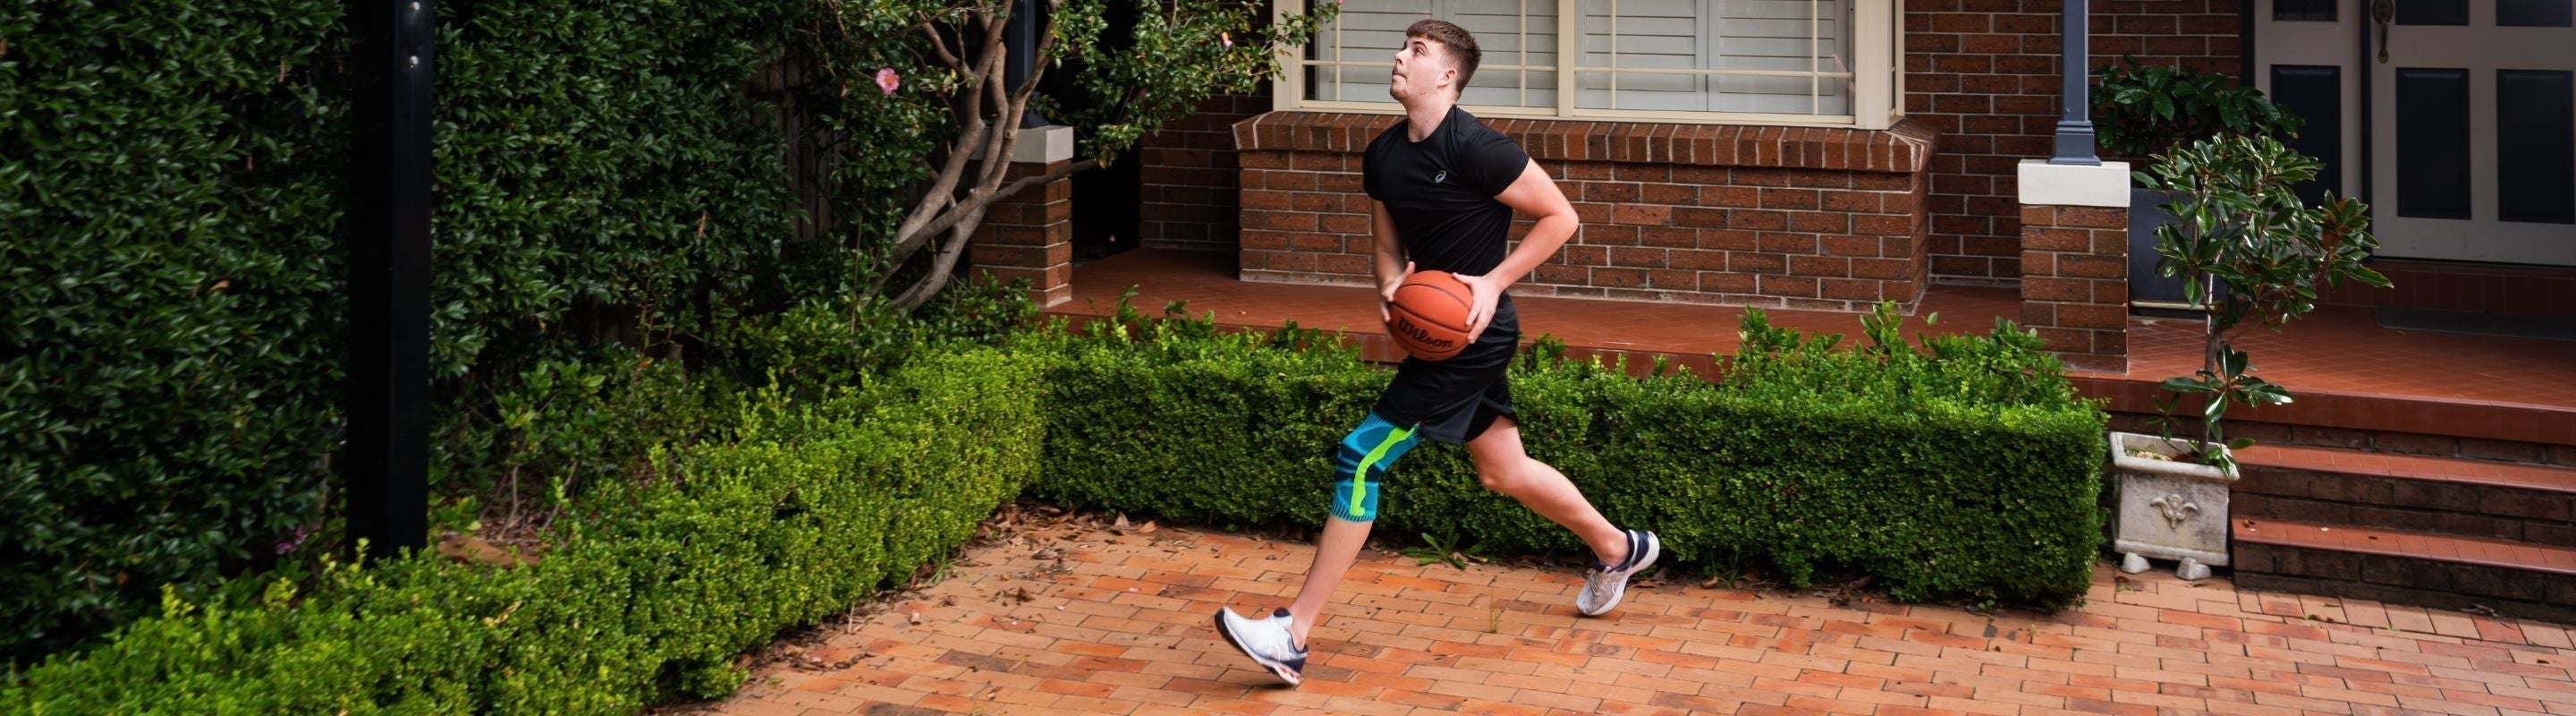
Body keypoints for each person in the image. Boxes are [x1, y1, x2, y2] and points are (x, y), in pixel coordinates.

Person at [1212, 18, 1659, 687]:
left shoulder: (1480, 147)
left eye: (1416, 51)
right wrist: (1390, 286)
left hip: (1477, 336)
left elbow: (1562, 216)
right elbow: (1387, 241)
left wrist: (1492, 280)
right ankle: (1619, 548)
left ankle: (1292, 633)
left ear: (1447, 75)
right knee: (1502, 471)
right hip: (1441, 333)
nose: (1399, 57)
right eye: (1403, 47)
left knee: (1360, 457)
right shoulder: (1385, 154)